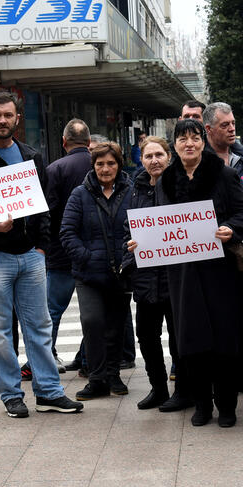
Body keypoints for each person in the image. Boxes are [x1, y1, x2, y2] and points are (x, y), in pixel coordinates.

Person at [0, 92, 82, 418]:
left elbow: (44, 207)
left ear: (17, 118)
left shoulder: (31, 157)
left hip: (31, 256)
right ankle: (11, 395)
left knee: (40, 327)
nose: (3, 120)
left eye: (8, 115)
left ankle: (48, 392)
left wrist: (41, 246)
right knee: (0, 332)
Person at [149, 119, 243, 427]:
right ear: (175, 145)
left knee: (224, 339)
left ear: (203, 142)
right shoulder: (166, 181)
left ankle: (227, 405)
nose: (189, 144)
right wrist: (142, 242)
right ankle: (202, 405)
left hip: (220, 271)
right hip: (183, 275)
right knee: (190, 341)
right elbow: (157, 222)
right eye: (183, 139)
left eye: (194, 138)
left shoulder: (225, 175)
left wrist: (230, 229)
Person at [202, 102, 243, 398]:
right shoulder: (198, 161)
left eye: (232, 123)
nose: (232, 129)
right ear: (209, 130)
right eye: (225, 125)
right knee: (214, 317)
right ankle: (217, 378)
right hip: (209, 251)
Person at [60, 142, 133, 400]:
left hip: (121, 273)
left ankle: (113, 375)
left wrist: (129, 258)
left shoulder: (132, 192)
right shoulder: (80, 194)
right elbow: (67, 232)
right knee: (93, 322)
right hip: (89, 274)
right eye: (100, 164)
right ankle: (97, 378)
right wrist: (87, 257)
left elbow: (140, 230)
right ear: (93, 166)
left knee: (115, 326)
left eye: (111, 163)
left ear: (119, 165)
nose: (105, 168)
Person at [122, 136, 190, 411]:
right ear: (142, 159)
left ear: (169, 156)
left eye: (159, 155)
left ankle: (183, 391)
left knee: (179, 337)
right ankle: (158, 388)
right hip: (146, 276)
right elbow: (127, 226)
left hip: (175, 277)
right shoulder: (135, 188)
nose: (154, 161)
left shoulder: (180, 184)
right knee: (147, 337)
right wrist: (130, 244)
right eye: (148, 156)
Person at [43, 118, 92, 374]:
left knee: (52, 310)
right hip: (93, 252)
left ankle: (44, 357)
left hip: (61, 253)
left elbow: (47, 212)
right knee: (94, 310)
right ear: (90, 142)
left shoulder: (54, 169)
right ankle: (88, 358)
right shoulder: (102, 165)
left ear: (64, 143)